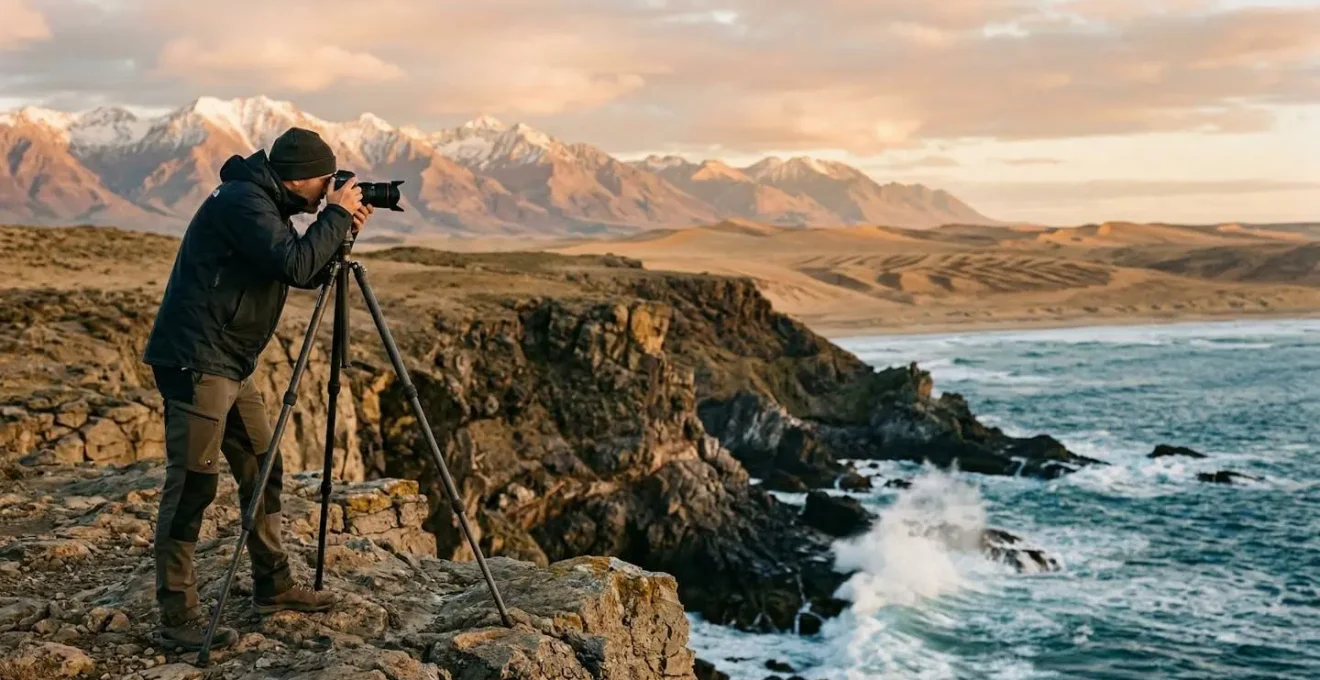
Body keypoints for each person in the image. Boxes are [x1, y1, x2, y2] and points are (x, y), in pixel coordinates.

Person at [141, 127, 372, 650]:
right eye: (323, 182)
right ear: (298, 177)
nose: (326, 191)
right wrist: (334, 216)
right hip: (197, 362)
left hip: (227, 361)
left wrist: (342, 227)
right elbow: (294, 264)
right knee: (193, 488)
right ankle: (178, 617)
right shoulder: (244, 203)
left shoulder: (263, 202)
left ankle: (273, 586)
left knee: (264, 465)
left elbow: (306, 270)